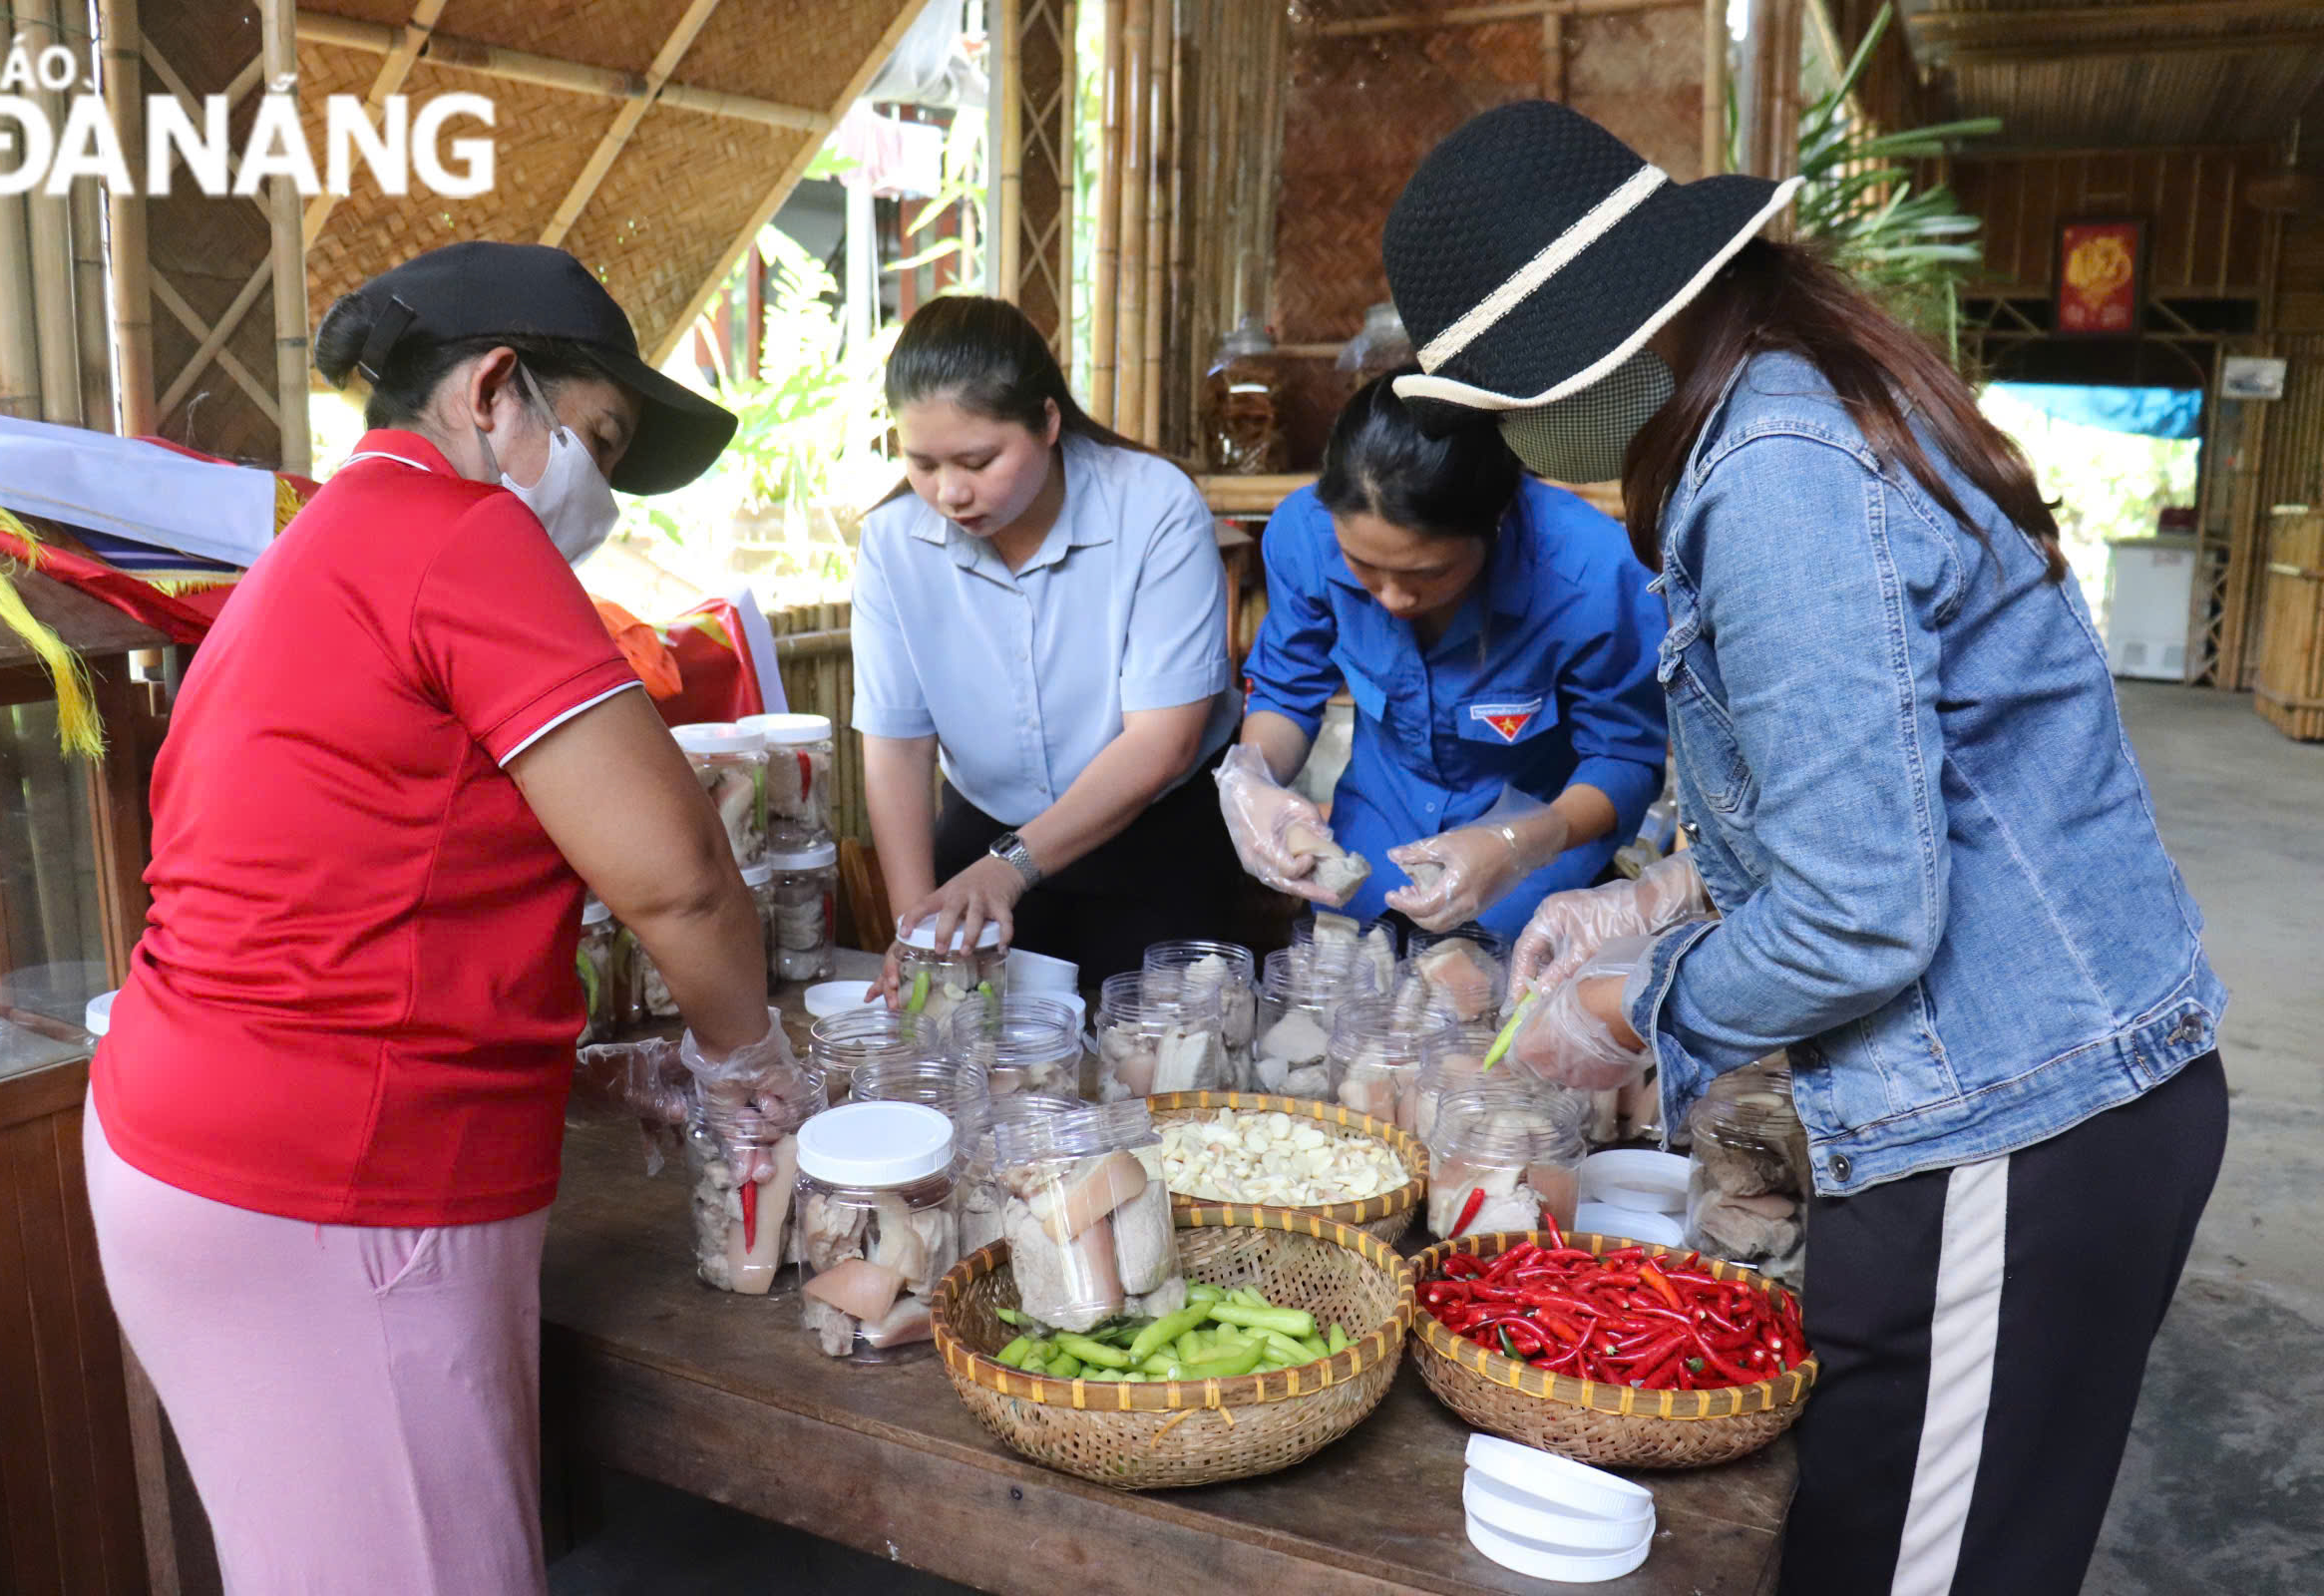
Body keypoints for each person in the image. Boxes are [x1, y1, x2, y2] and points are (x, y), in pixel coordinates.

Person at [1383, 102, 2226, 1596]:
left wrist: (1638, 1008)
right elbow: (1876, 784)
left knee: (1911, 1567)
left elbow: (1857, 911)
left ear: (1601, 351)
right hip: (2029, 1099)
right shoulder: (1796, 398)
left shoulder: (1773, 465)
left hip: (2013, 1120)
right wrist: (1636, 904)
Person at [85, 241, 782, 1593]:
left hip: (189, 1145)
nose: (598, 492)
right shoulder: (463, 535)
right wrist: (745, 1066)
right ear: (494, 391)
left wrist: (570, 1069)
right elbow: (679, 873)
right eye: (598, 438)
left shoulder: (314, 556)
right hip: (330, 1182)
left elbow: (346, 885)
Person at [853, 295, 1240, 987]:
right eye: (922, 463)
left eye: (977, 460)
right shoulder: (892, 542)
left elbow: (1163, 740)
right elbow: (898, 744)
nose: (950, 492)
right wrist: (917, 931)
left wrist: (1013, 868)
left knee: (1154, 1066)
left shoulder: (1154, 506)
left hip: (1152, 838)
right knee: (975, 1054)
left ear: (1048, 422)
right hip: (981, 841)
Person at [1217, 372, 1667, 940]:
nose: (1393, 598)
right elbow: (1285, 691)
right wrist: (1252, 781)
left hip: (1534, 872)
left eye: (1427, 573)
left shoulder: (1593, 577)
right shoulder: (1303, 535)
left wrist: (1518, 841)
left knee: (1496, 1010)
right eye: (1363, 567)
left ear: (1496, 522)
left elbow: (1624, 758)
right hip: (1375, 846)